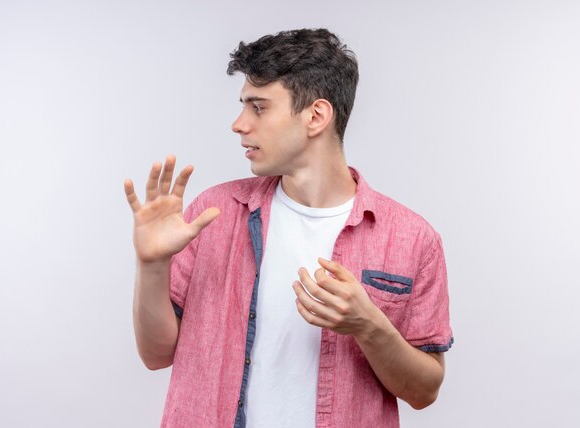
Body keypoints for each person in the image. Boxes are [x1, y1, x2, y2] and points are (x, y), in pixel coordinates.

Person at [124, 28, 453, 428]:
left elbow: (424, 392)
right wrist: (152, 265)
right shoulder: (213, 212)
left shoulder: (412, 238)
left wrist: (370, 327)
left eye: (258, 107)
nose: (239, 124)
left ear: (316, 116)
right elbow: (156, 354)